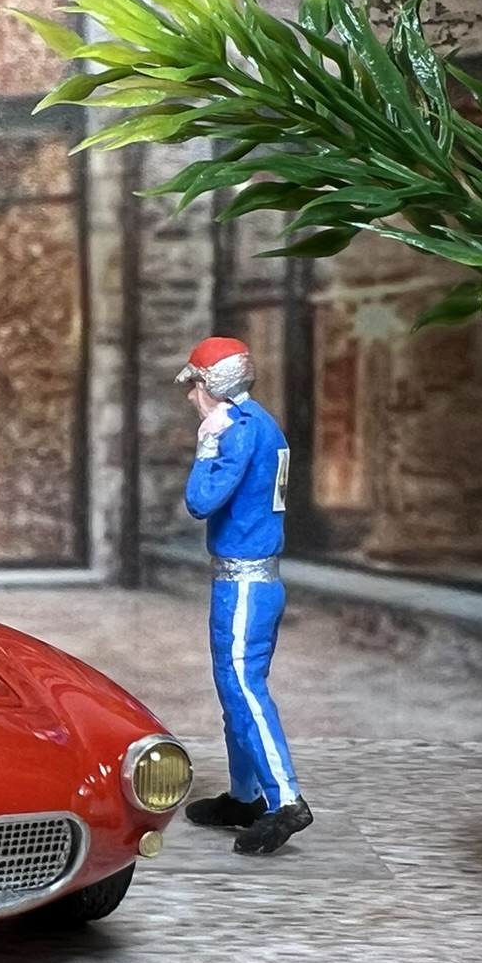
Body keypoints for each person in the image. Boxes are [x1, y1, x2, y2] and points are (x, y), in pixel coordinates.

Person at [177, 336, 313, 856]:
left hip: (244, 585)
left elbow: (200, 501)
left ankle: (286, 800)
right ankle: (244, 796)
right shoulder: (262, 423)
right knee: (235, 690)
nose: (191, 396)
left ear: (214, 386)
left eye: (195, 384)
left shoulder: (234, 431)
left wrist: (206, 446)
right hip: (253, 579)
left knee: (244, 690)